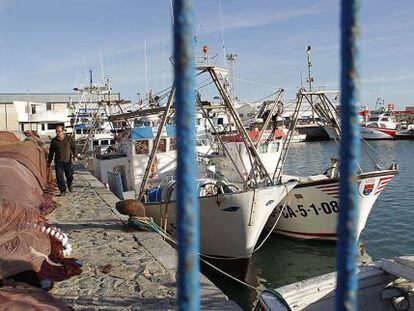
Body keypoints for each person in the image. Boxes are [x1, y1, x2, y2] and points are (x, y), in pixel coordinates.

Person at [47, 126, 77, 196]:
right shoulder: (54, 141)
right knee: (60, 178)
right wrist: (49, 162)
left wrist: (75, 156)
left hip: (68, 161)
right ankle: (63, 191)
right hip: (58, 162)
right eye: (56, 132)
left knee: (70, 176)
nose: (58, 133)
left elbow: (74, 147)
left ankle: (69, 185)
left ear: (63, 131)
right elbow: (51, 152)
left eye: (59, 131)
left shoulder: (68, 139)